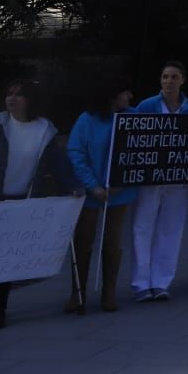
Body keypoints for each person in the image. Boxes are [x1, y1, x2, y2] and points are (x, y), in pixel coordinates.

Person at [0, 80, 78, 329]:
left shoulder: (44, 130)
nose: (12, 99)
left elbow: (57, 163)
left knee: (3, 260)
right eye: (9, 94)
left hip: (20, 203)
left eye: (19, 95)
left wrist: (72, 185)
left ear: (31, 100)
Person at [129, 62, 188, 303]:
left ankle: (161, 282)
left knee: (171, 229)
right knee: (143, 227)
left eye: (173, 77)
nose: (168, 81)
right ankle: (141, 283)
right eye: (164, 77)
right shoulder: (147, 106)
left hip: (178, 179)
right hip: (150, 178)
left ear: (182, 80)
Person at [66, 81, 138, 313]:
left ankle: (109, 293)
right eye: (125, 91)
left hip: (120, 192)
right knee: (83, 240)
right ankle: (77, 293)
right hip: (91, 192)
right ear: (112, 96)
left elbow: (141, 151)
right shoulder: (87, 120)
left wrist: (122, 179)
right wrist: (93, 186)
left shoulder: (134, 117)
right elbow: (76, 154)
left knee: (113, 242)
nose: (130, 95)